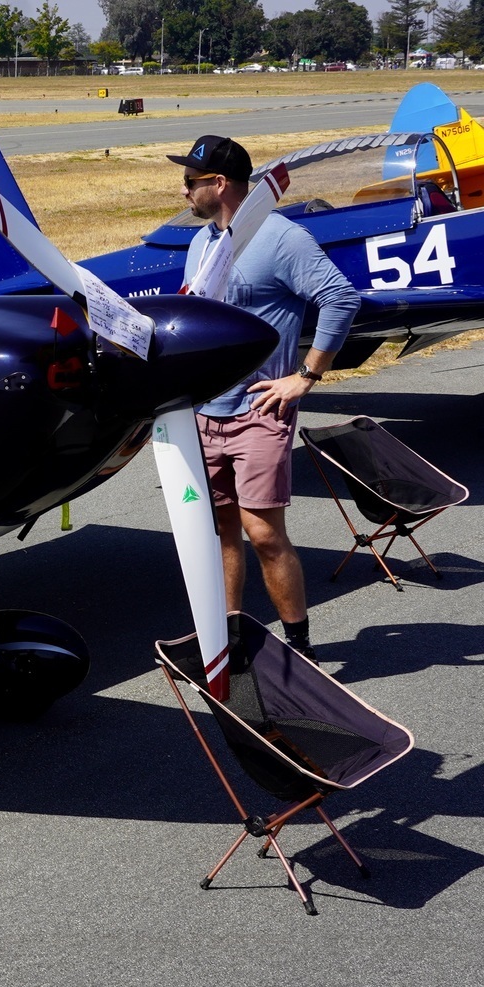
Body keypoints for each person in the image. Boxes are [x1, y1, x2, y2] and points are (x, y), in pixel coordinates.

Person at [169, 135, 361, 661]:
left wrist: (304, 376)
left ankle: (300, 648)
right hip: (203, 412)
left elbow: (341, 298)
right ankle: (228, 642)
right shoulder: (201, 243)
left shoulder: (281, 238)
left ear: (219, 183)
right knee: (221, 527)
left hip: (259, 411)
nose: (183, 190)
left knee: (263, 532)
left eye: (190, 181)